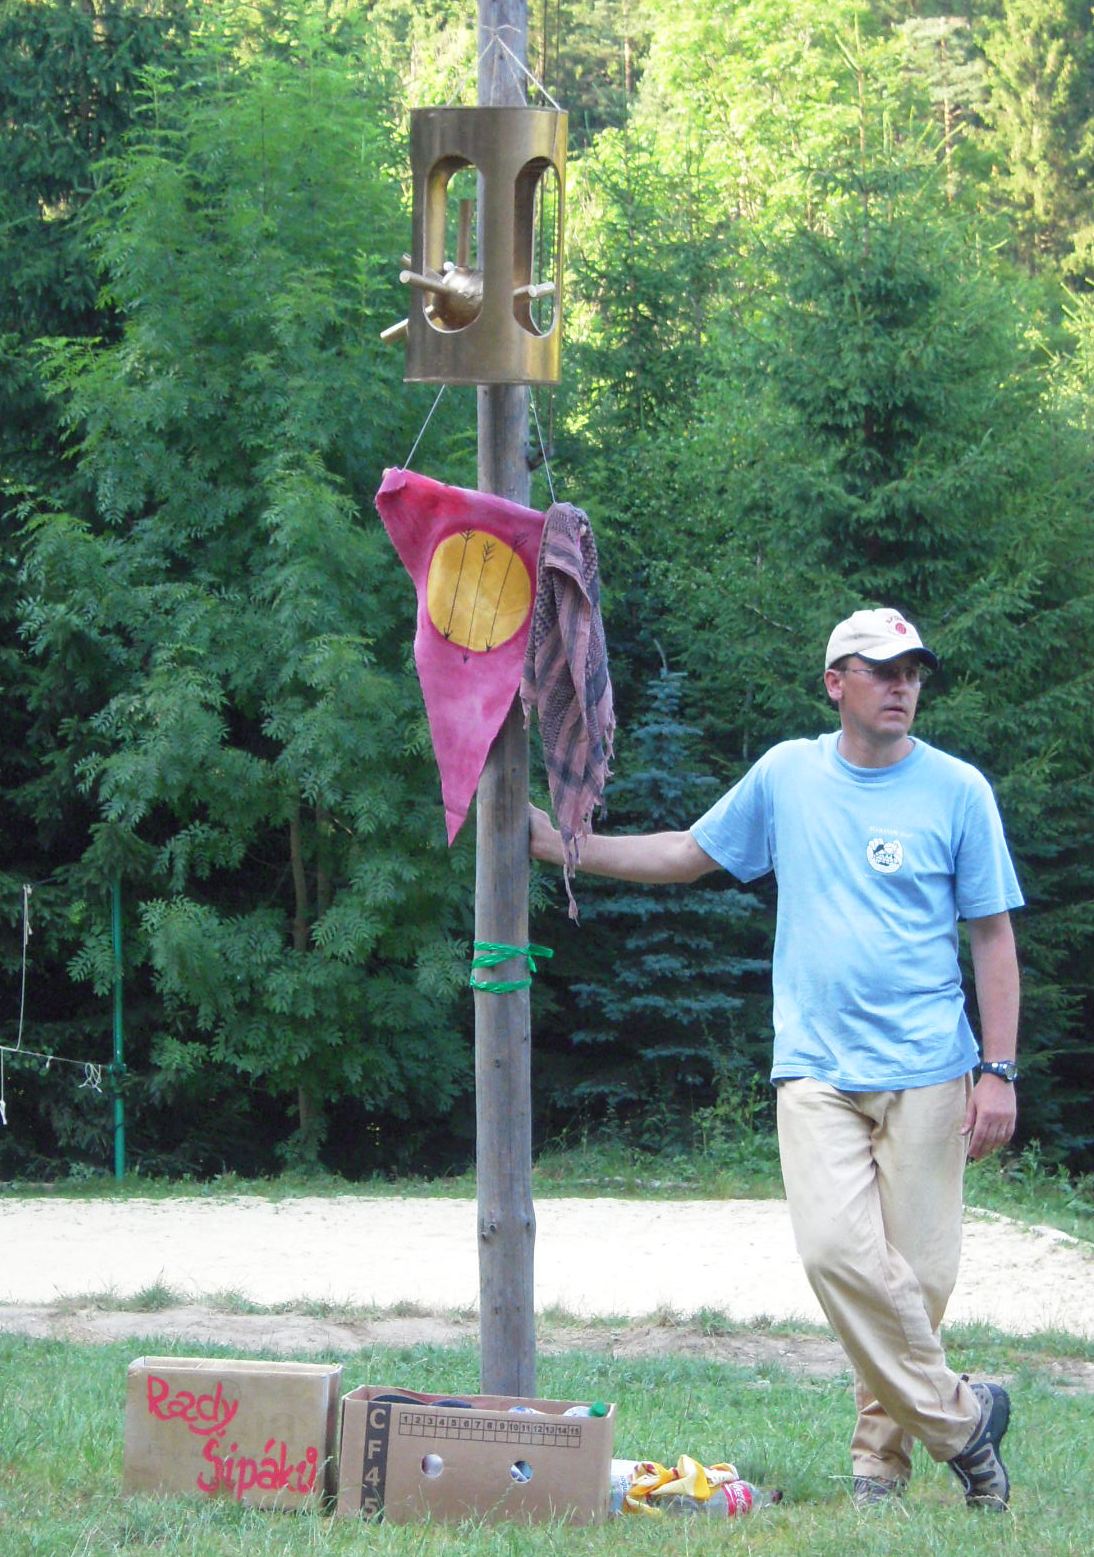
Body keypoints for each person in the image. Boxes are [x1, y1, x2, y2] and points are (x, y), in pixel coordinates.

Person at [529, 607, 1023, 1511]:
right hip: (817, 1067)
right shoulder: (788, 774)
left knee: (915, 1283)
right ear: (836, 683)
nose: (902, 685)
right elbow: (687, 852)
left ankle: (879, 1466)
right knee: (837, 1254)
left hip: (929, 1068)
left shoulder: (959, 791)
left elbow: (992, 935)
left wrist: (999, 1069)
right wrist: (563, 845)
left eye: (913, 671)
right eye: (881, 669)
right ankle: (967, 1419)